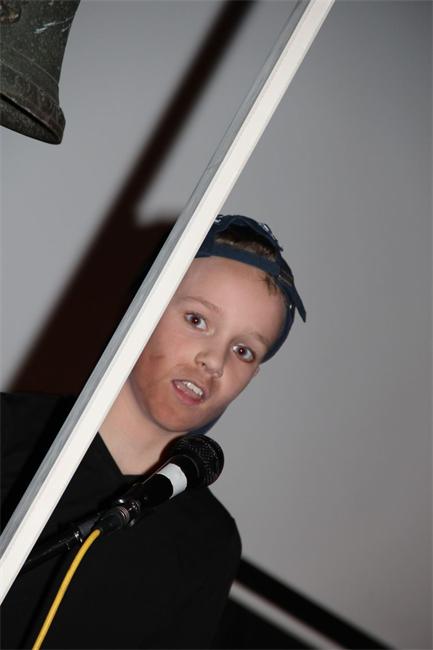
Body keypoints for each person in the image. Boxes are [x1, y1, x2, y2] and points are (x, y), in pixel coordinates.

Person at [0, 214, 306, 649]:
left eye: (243, 350)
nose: (214, 362)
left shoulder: (208, 543)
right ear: (143, 306)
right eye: (197, 320)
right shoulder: (11, 430)